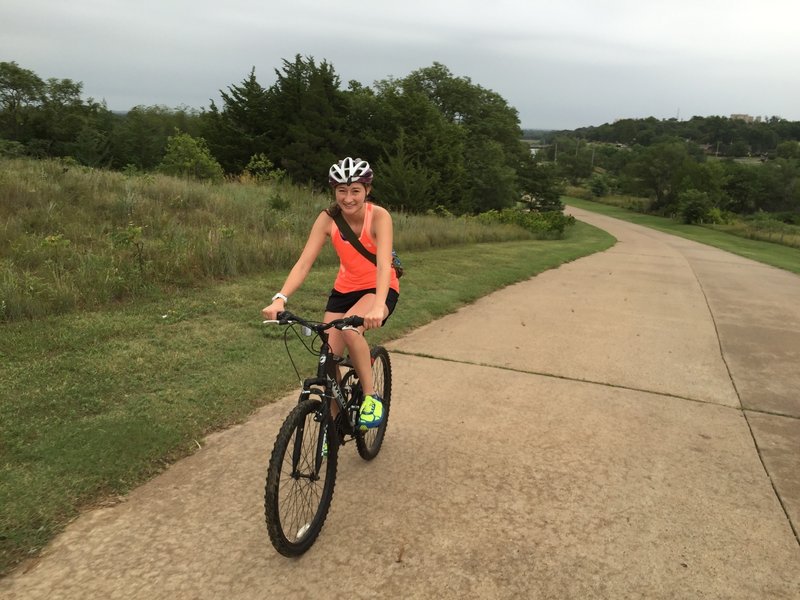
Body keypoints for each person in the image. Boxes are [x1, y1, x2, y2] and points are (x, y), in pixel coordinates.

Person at [261, 157, 400, 430]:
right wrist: (281, 297)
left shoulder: (379, 216)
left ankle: (371, 398)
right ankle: (335, 419)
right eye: (342, 191)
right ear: (334, 191)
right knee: (328, 356)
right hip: (343, 290)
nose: (348, 198)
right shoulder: (328, 218)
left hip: (378, 288)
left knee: (351, 329)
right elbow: (303, 263)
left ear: (367, 191)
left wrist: (377, 306)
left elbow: (384, 265)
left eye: (355, 191)